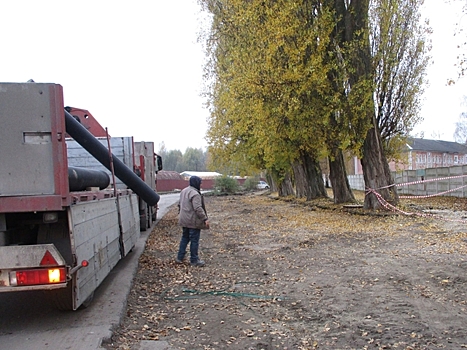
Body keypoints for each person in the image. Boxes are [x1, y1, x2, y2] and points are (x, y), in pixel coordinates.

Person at [176, 176, 210, 267]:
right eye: (200, 182)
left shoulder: (184, 191)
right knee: (194, 240)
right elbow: (198, 208)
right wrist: (205, 218)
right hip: (192, 221)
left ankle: (180, 257)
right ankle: (194, 260)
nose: (201, 184)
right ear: (197, 183)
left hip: (184, 220)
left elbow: (179, 204)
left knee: (185, 238)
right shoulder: (195, 194)